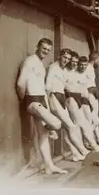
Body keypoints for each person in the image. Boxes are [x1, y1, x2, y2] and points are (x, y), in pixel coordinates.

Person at [16, 38, 67, 174]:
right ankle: (50, 130)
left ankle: (49, 166)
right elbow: (21, 83)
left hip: (41, 101)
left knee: (43, 135)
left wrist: (47, 110)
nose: (46, 52)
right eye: (44, 48)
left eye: (48, 50)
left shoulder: (41, 66)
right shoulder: (29, 61)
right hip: (32, 101)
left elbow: (44, 91)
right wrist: (23, 99)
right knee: (56, 124)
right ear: (37, 46)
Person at [46, 48, 90, 162]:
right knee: (71, 126)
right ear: (59, 56)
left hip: (61, 98)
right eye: (65, 57)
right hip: (53, 97)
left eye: (68, 59)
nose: (66, 60)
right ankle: (83, 151)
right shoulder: (53, 67)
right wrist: (47, 107)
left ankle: (75, 154)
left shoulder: (62, 70)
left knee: (66, 129)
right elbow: (47, 87)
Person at [65, 52, 99, 153]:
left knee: (88, 123)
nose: (81, 66)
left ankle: (92, 143)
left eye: (83, 65)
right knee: (84, 124)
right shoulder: (73, 72)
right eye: (79, 64)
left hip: (83, 99)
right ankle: (90, 144)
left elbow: (84, 88)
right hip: (75, 100)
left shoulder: (82, 73)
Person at [77, 56, 99, 147]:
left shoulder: (92, 68)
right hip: (87, 97)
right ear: (96, 58)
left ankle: (96, 139)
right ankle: (88, 140)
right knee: (93, 120)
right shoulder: (86, 69)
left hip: (91, 96)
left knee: (95, 120)